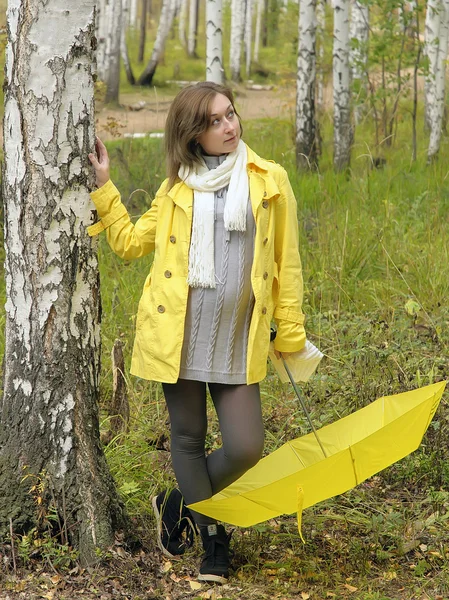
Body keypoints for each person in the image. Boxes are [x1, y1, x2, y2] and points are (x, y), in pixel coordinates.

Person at [88, 81, 306, 584]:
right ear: (192, 136)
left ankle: (178, 500)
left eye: (230, 114)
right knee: (186, 440)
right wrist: (104, 187)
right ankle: (213, 540)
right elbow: (128, 243)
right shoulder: (176, 189)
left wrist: (290, 330)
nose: (229, 126)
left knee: (246, 446)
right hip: (179, 336)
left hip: (236, 339)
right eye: (214, 121)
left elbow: (285, 265)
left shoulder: (269, 180)